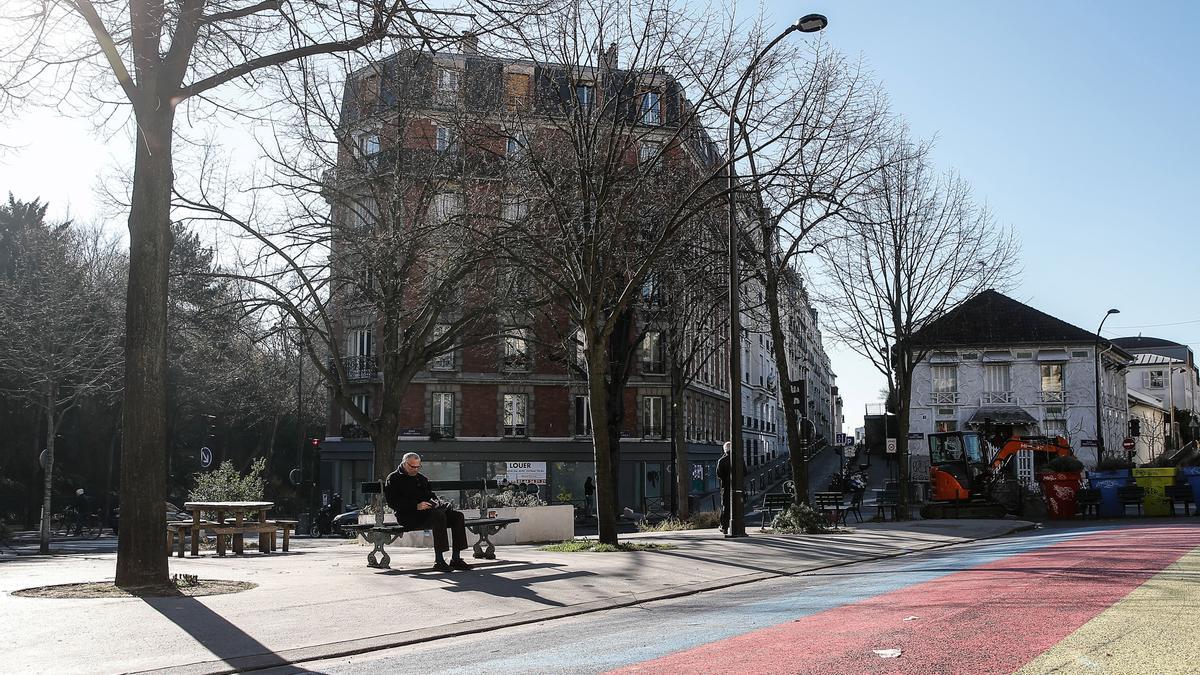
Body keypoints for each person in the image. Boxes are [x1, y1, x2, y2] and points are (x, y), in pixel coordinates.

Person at [385, 452, 471, 572]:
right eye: (412, 467)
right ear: (404, 464)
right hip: (408, 516)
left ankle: (456, 558)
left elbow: (430, 495)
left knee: (457, 516)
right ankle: (439, 560)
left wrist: (437, 503)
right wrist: (416, 506)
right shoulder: (393, 478)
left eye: (418, 466)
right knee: (438, 516)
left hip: (428, 514)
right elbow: (392, 503)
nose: (415, 469)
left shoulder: (421, 478)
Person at [716, 441, 746, 534]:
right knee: (739, 507)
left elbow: (719, 474)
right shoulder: (739, 459)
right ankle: (740, 527)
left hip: (726, 487)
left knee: (726, 507)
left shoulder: (721, 460)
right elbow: (744, 472)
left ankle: (724, 527)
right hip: (739, 488)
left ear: (725, 450)